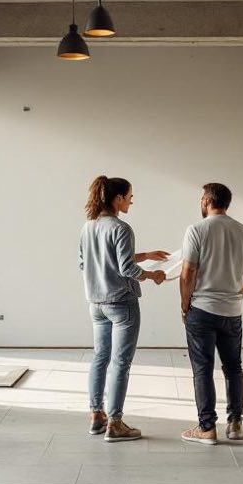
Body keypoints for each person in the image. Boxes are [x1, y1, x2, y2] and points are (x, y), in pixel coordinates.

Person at [79, 175, 169, 442]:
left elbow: (89, 264)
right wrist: (153, 275)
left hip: (96, 304)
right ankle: (115, 423)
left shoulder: (88, 227)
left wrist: (146, 255)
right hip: (121, 304)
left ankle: (97, 416)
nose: (131, 200)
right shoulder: (121, 228)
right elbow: (126, 268)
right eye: (129, 196)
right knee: (120, 363)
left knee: (100, 358)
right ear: (117, 198)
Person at [178, 183, 243, 445]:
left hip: (201, 309)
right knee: (233, 367)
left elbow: (188, 272)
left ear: (205, 200)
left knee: (202, 369)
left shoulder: (196, 230)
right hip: (232, 311)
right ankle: (235, 424)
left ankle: (207, 428)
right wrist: (236, 296)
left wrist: (184, 303)